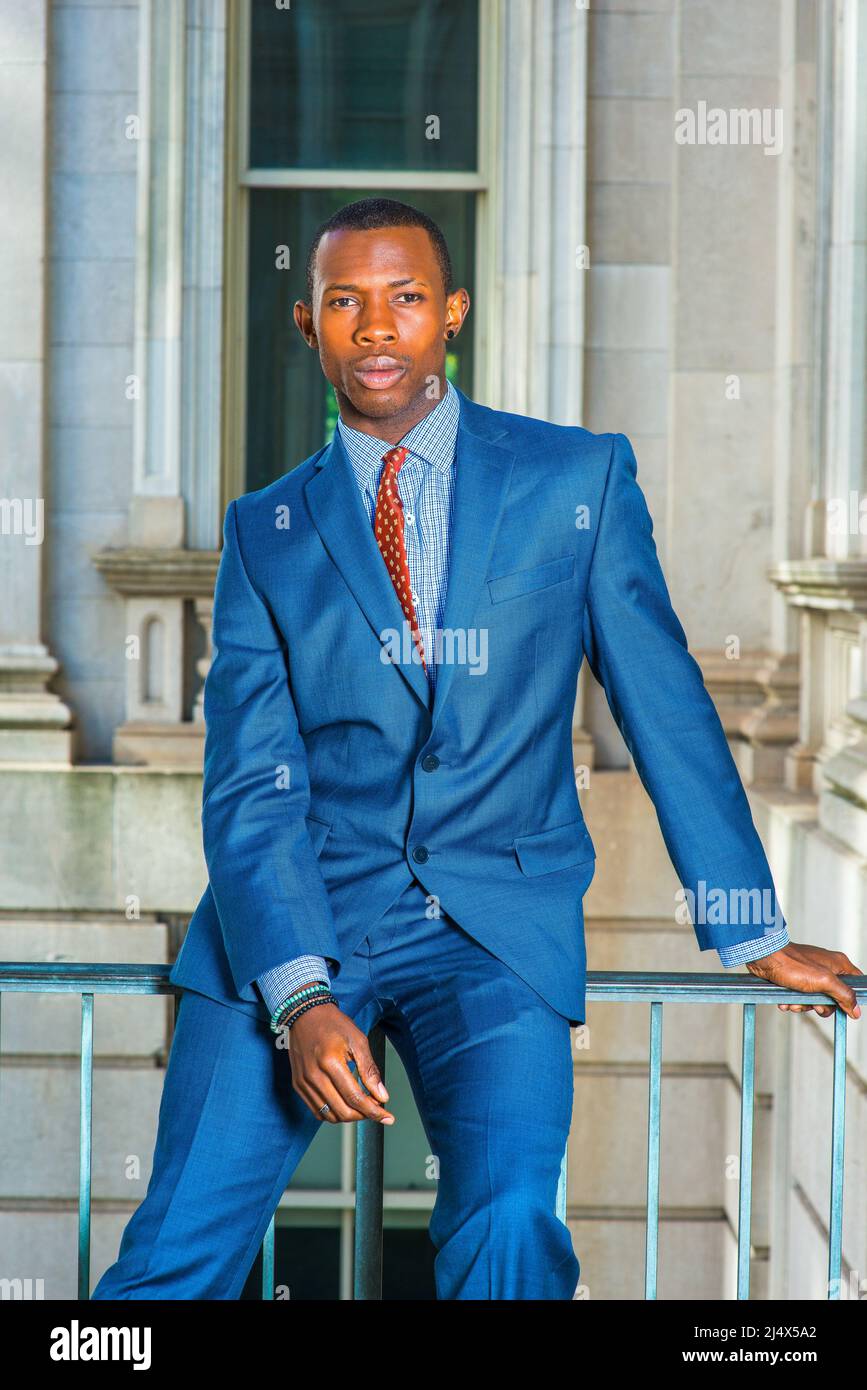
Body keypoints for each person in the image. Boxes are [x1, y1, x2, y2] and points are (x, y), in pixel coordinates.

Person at [92, 197, 861, 1302]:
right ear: (307, 327)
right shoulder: (264, 531)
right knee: (169, 1265)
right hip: (294, 923)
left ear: (450, 314)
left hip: (494, 932)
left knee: (507, 1225)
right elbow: (251, 786)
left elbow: (665, 703)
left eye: (404, 298)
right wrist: (301, 996)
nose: (374, 328)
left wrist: (753, 928)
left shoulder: (576, 483)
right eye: (343, 302)